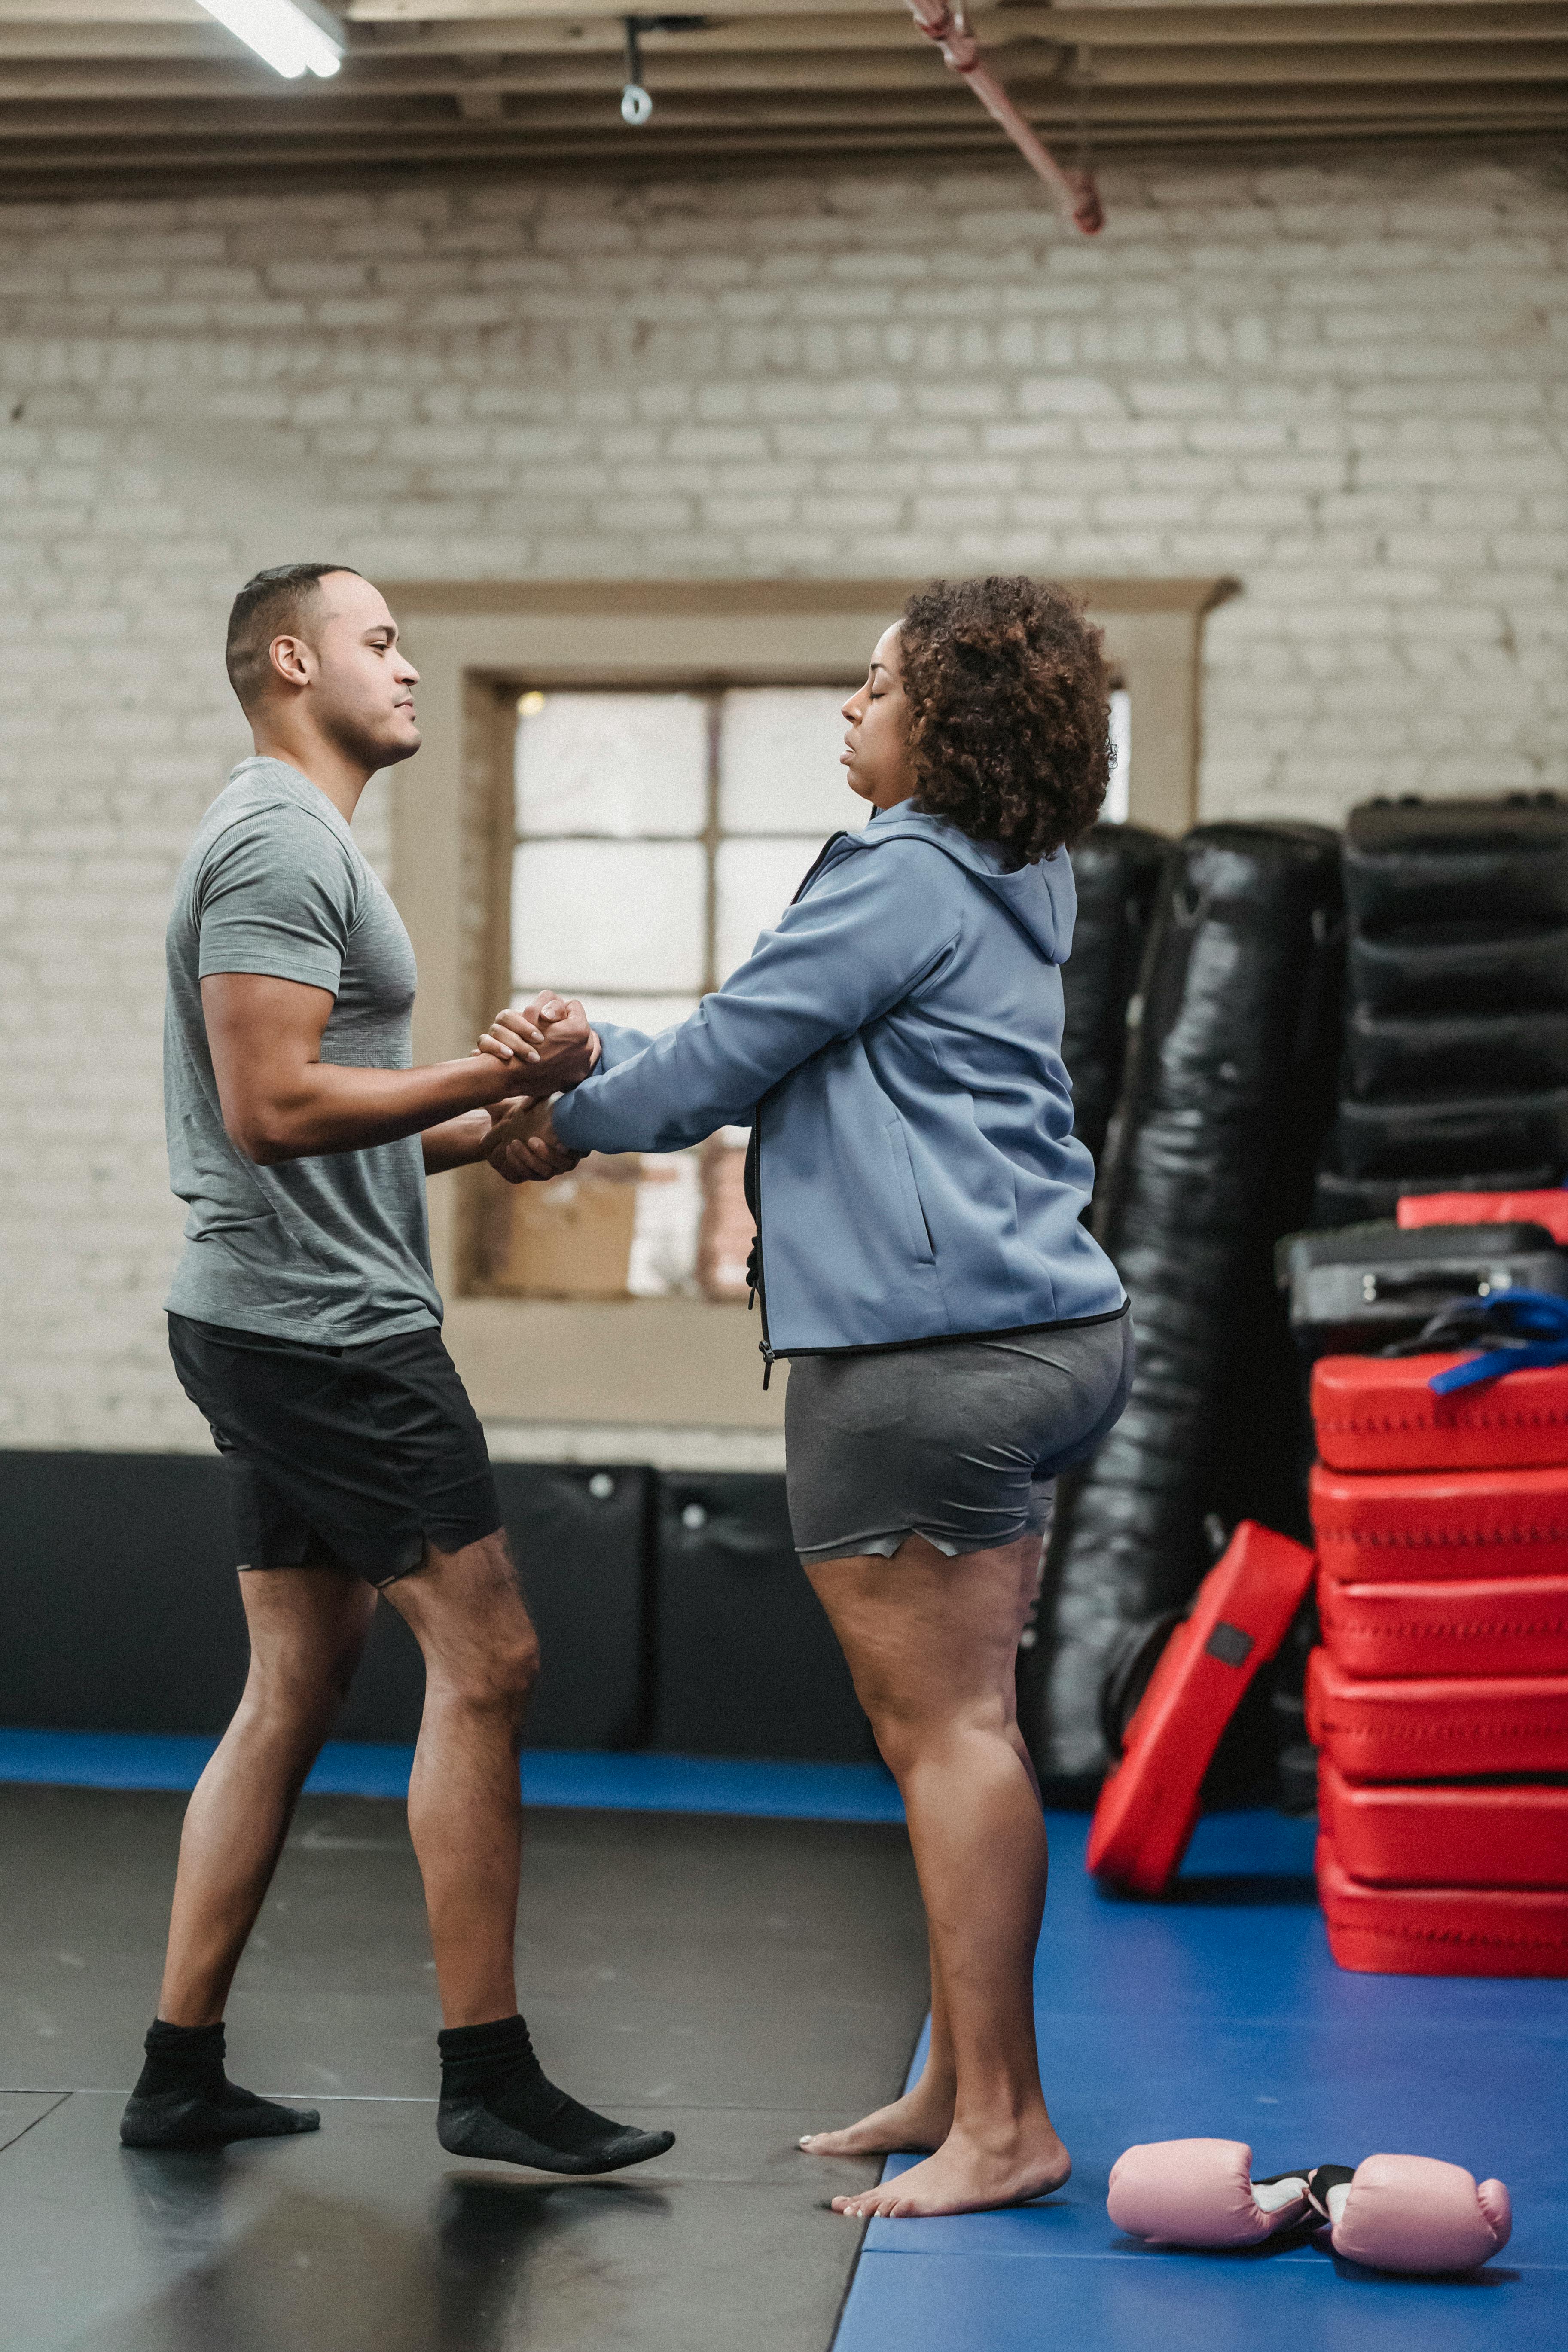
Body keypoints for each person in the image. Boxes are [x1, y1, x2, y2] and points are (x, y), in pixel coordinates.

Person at [479, 576, 1133, 2219]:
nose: (847, 710)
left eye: (872, 686)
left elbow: (713, 1070)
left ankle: (1004, 2121)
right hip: (1049, 1332)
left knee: (949, 1734)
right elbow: (781, 1045)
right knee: (951, 1730)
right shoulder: (1013, 871)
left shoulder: (898, 867)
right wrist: (590, 1046)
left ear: (947, 726)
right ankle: (957, 2078)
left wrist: (558, 1111)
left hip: (925, 1359)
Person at [125, 561, 672, 2179]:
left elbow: (325, 1121)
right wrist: (491, 1060)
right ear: (292, 660)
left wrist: (476, 1131)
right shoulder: (278, 839)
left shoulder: (303, 841)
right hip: (328, 1333)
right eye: (379, 641)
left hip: (277, 1308)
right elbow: (273, 1108)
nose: (410, 666)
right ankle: (487, 2074)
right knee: (490, 1660)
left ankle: (176, 2066)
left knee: (295, 1686)